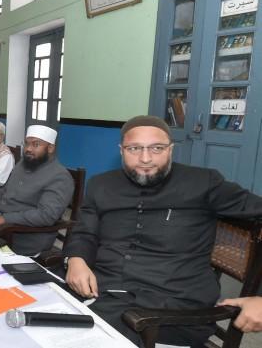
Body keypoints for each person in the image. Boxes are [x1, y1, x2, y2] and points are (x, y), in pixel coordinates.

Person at [63, 115, 262, 347]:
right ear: (121, 150)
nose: (145, 158)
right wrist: (75, 259)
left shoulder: (203, 182)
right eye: (134, 148)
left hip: (172, 310)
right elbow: (84, 231)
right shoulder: (101, 184)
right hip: (101, 290)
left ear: (171, 149)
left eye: (156, 148)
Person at [0, 125, 74, 256]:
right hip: (0, 223)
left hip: (25, 236)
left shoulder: (59, 176)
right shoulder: (24, 164)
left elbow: (46, 215)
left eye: (35, 145)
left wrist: (5, 219)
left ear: (50, 148)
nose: (28, 149)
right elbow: (5, 192)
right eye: (27, 144)